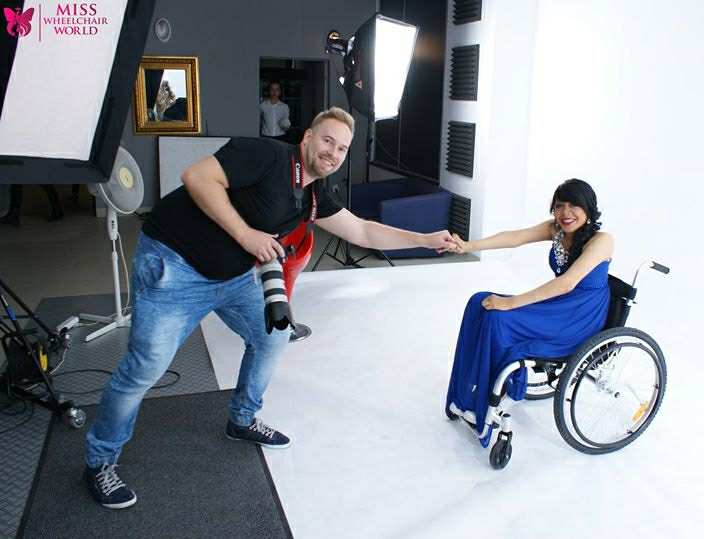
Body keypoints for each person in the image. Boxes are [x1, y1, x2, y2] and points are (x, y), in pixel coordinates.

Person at [83, 106, 455, 509]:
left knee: (274, 335)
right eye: (327, 140)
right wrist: (245, 235)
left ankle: (241, 419)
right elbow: (197, 177)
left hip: (233, 276)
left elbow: (363, 230)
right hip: (175, 267)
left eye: (342, 148)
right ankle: (99, 461)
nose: (333, 152)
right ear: (308, 137)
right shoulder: (266, 155)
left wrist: (426, 237)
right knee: (145, 367)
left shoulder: (313, 195)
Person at [445, 179, 613, 437]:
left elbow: (567, 283)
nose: (566, 213)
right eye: (559, 206)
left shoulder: (602, 241)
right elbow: (514, 238)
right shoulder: (557, 230)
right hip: (558, 307)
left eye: (574, 206)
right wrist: (469, 246)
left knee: (499, 318)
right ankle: (468, 393)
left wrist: (511, 302)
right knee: (479, 302)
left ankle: (493, 397)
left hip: (578, 317)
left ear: (589, 209)